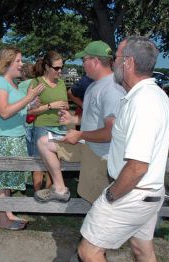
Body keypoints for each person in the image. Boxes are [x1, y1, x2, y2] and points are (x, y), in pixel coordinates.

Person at [77, 36, 169, 262]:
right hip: (148, 193)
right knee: (142, 250)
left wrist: (111, 196)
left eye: (117, 57)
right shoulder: (155, 96)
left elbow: (138, 165)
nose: (113, 62)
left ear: (128, 62)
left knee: (89, 252)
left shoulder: (143, 102)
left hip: (131, 193)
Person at [34, 41, 125, 204]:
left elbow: (110, 132)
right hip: (86, 145)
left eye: (84, 60)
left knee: (99, 204)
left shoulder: (112, 89)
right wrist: (72, 119)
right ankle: (60, 190)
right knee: (43, 142)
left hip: (101, 155)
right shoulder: (92, 87)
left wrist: (80, 134)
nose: (82, 64)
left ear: (96, 61)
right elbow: (92, 118)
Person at [0, 47, 44, 230]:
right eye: (18, 61)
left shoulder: (12, 83)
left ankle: (7, 214)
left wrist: (30, 104)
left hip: (15, 137)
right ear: (7, 63)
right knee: (0, 182)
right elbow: (4, 112)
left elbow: (16, 110)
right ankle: (3, 221)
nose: (21, 64)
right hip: (3, 140)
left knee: (7, 181)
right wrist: (28, 98)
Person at [27, 51, 69, 191]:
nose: (60, 71)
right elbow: (29, 111)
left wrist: (65, 108)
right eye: (56, 68)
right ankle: (38, 193)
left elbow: (66, 104)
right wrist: (51, 106)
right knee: (39, 163)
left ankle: (51, 191)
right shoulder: (37, 83)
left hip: (60, 127)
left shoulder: (62, 83)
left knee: (55, 162)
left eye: (61, 67)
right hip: (42, 127)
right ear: (46, 67)